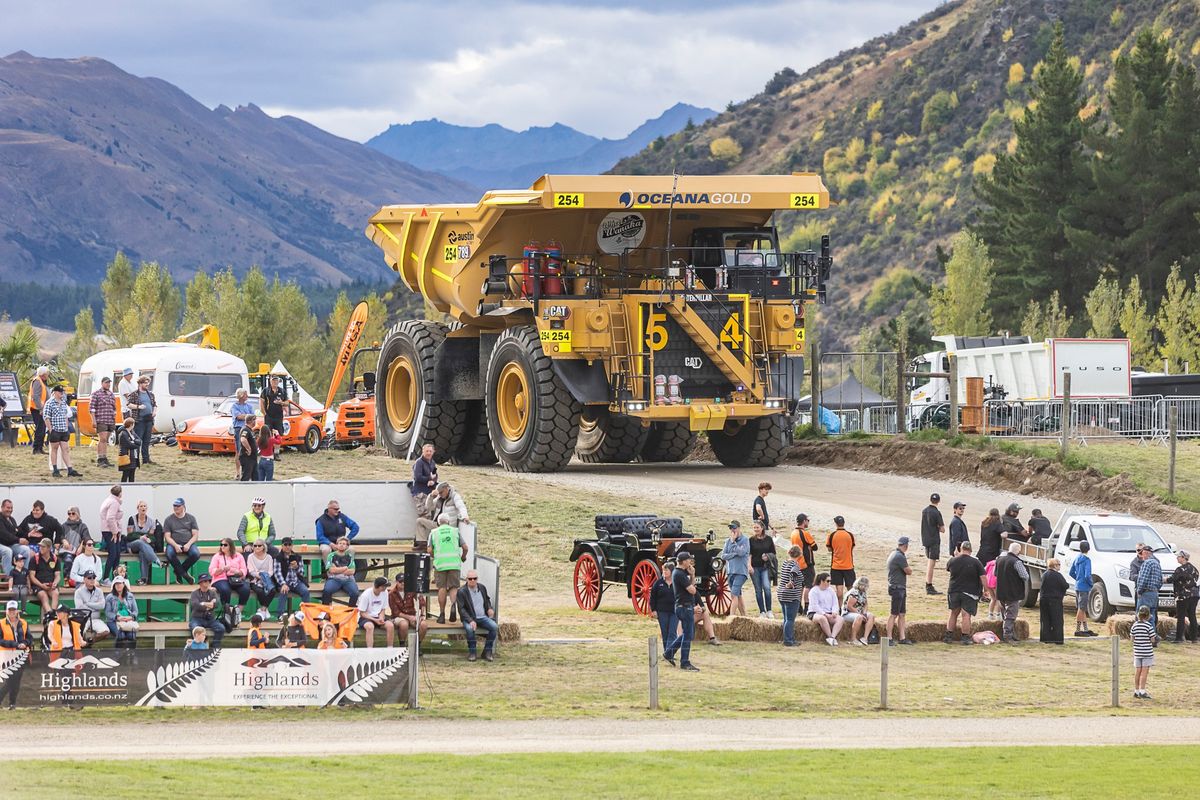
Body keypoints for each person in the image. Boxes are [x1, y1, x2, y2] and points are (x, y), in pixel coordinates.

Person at [661, 551, 699, 671]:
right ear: (683, 562)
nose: (690, 562)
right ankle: (685, 662)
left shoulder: (680, 573)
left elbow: (692, 587)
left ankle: (669, 653)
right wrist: (692, 580)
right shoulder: (679, 574)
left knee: (687, 634)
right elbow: (692, 590)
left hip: (683, 606)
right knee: (688, 635)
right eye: (688, 560)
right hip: (684, 606)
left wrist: (692, 575)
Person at [944, 541, 986, 645]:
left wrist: (955, 556)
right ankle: (965, 638)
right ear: (971, 550)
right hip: (970, 592)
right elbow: (983, 578)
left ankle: (948, 636)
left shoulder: (952, 561)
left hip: (954, 590)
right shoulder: (976, 562)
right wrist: (986, 590)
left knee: (953, 613)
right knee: (966, 615)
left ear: (960, 549)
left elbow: (948, 568)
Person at [430, 513, 468, 623]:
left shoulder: (434, 532)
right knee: (453, 587)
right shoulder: (455, 531)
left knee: (441, 588)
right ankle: (453, 605)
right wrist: (463, 557)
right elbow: (465, 547)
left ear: (438, 522)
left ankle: (441, 614)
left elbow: (429, 549)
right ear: (448, 522)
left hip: (440, 564)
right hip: (454, 564)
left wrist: (435, 555)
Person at [209, 538, 251, 627]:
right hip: (220, 578)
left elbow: (244, 570)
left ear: (230, 546)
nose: (222, 546)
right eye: (221, 545)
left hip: (235, 579)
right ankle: (227, 612)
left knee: (246, 589)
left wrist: (235, 571)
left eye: (225, 545)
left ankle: (238, 612)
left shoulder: (239, 556)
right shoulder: (217, 556)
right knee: (225, 589)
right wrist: (222, 569)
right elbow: (212, 571)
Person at [458, 569, 498, 661]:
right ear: (466, 579)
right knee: (469, 628)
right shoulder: (462, 591)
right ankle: (472, 652)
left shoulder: (482, 588)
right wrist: (470, 620)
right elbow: (462, 609)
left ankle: (487, 651)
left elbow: (487, 600)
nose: (472, 580)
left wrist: (489, 608)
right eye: (470, 579)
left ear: (477, 579)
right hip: (469, 618)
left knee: (494, 627)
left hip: (483, 617)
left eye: (474, 578)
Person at [0, 599, 33, 709]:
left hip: (21, 655)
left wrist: (24, 643)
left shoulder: (23, 623)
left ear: (17, 611)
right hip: (6, 655)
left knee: (17, 680)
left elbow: (29, 638)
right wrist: (15, 644)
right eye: (10, 610)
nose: (12, 612)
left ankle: (12, 703)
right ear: (6, 611)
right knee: (10, 681)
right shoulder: (1, 623)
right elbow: (0, 640)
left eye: (14, 610)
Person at [43, 385, 81, 478]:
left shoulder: (63, 402)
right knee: (54, 449)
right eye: (60, 392)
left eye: (62, 392)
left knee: (65, 449)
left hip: (63, 430)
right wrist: (51, 430)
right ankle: (55, 469)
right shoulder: (49, 403)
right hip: (55, 429)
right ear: (55, 392)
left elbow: (66, 415)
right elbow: (46, 417)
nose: (62, 394)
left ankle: (70, 469)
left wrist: (67, 427)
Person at [995, 542, 1029, 643]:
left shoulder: (999, 560)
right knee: (1011, 615)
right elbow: (1025, 576)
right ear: (1018, 551)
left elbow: (995, 574)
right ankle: (1008, 636)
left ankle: (1008, 634)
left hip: (1000, 591)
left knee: (1004, 613)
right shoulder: (1017, 562)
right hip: (1013, 592)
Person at [125, 500, 165, 585]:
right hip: (132, 545)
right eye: (141, 506)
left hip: (145, 547)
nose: (143, 508)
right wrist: (141, 536)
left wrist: (147, 538)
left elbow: (152, 537)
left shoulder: (152, 521)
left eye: (144, 506)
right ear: (137, 508)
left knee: (142, 552)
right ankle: (157, 561)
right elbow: (129, 536)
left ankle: (143, 579)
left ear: (147, 508)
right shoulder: (132, 519)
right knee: (140, 542)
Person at [163, 498, 201, 584]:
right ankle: (184, 574)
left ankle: (178, 571)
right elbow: (167, 537)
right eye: (174, 506)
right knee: (169, 554)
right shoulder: (168, 519)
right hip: (173, 543)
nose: (176, 507)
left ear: (183, 506)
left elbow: (195, 535)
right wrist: (175, 545)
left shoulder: (191, 518)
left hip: (188, 543)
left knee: (196, 554)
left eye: (178, 506)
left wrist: (188, 544)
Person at [886, 537, 914, 645]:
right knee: (894, 614)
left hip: (898, 587)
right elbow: (908, 571)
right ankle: (889, 638)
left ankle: (902, 637)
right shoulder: (899, 556)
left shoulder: (894, 554)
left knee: (901, 613)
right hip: (897, 587)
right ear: (906, 546)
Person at [1166, 550, 1198, 644]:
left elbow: (1172, 579)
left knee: (1181, 616)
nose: (1177, 558)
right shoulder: (1194, 569)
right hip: (1194, 595)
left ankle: (1179, 638)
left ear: (1183, 558)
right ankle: (1194, 638)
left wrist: (1163, 579)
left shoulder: (1180, 569)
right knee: (1192, 616)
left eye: (1179, 556)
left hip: (1183, 596)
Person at [719, 520, 750, 617]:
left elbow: (742, 553)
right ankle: (744, 615)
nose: (733, 530)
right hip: (730, 571)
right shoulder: (727, 541)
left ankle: (731, 617)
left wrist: (733, 543)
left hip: (741, 572)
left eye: (734, 528)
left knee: (733, 594)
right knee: (738, 595)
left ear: (739, 528)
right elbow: (723, 556)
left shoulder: (745, 540)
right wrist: (734, 554)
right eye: (731, 528)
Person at [978, 507, 1004, 618]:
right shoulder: (997, 523)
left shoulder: (984, 523)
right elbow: (1004, 534)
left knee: (981, 574)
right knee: (990, 574)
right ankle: (988, 594)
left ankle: (981, 593)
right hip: (992, 552)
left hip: (982, 550)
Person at [125, 374, 156, 465]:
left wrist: (154, 411)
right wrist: (139, 407)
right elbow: (128, 405)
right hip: (139, 420)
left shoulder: (150, 394)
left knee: (147, 441)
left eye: (148, 383)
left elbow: (154, 404)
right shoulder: (135, 394)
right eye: (145, 383)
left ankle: (146, 460)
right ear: (140, 383)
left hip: (149, 420)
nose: (147, 385)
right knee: (138, 441)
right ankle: (135, 459)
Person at [776, 546, 804, 646]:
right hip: (791, 595)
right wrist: (791, 582)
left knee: (786, 618)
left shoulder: (785, 562)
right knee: (790, 619)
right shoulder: (795, 564)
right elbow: (793, 572)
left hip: (781, 593)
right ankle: (788, 640)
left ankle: (787, 638)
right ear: (799, 555)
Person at [73, 570, 111, 645]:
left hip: (96, 619)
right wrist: (95, 606)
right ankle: (81, 648)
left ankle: (88, 643)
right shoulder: (78, 592)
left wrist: (88, 604)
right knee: (78, 633)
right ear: (84, 579)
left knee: (106, 632)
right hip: (83, 619)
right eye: (89, 578)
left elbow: (102, 606)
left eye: (93, 577)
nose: (92, 579)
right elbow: (80, 608)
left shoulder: (99, 591)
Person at [388, 574, 428, 644]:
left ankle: (418, 645)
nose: (403, 583)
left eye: (404, 581)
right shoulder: (391, 594)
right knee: (404, 624)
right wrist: (409, 617)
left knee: (423, 625)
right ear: (396, 582)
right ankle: (402, 645)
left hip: (412, 614)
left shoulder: (411, 589)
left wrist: (422, 615)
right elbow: (395, 612)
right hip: (399, 617)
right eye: (400, 581)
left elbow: (422, 602)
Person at [357, 576, 396, 648]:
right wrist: (375, 620)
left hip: (378, 616)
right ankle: (370, 650)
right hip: (366, 617)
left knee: (390, 625)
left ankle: (390, 648)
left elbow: (383, 608)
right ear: (378, 586)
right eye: (384, 586)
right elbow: (362, 613)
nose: (385, 588)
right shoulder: (366, 595)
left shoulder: (385, 592)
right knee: (370, 627)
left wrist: (381, 618)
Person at [748, 520, 776, 619]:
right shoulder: (751, 540)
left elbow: (773, 553)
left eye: (757, 527)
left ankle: (769, 610)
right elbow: (749, 554)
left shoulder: (768, 539)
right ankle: (762, 611)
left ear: (762, 528)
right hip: (754, 567)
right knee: (758, 590)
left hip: (765, 567)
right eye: (754, 528)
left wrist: (767, 556)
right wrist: (749, 565)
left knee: (767, 588)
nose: (755, 529)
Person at [1069, 540, 1097, 637]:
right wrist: (1091, 583)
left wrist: (1077, 578)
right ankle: (1077, 629)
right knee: (1081, 608)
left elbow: (1071, 572)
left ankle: (1085, 629)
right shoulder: (1087, 560)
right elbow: (1087, 575)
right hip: (1084, 587)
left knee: (1082, 607)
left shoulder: (1077, 558)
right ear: (1088, 549)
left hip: (1077, 585)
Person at [825, 516, 857, 603]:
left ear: (836, 524)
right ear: (844, 523)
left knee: (839, 591)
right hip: (848, 566)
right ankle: (852, 606)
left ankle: (839, 608)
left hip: (836, 566)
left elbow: (829, 549)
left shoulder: (832, 535)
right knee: (851, 589)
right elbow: (852, 547)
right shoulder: (850, 535)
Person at [188, 573, 225, 647]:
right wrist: (208, 605)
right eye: (205, 581)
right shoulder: (194, 593)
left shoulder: (212, 592)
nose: (207, 582)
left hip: (210, 618)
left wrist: (203, 604)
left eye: (208, 581)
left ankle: (215, 645)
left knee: (221, 628)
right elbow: (195, 605)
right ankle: (197, 645)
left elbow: (217, 604)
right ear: (200, 583)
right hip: (197, 618)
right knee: (194, 628)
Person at [321, 536, 360, 605]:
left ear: (347, 546)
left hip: (348, 579)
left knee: (355, 593)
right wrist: (345, 568)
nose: (341, 545)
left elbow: (352, 571)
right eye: (340, 543)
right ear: (336, 545)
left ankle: (350, 611)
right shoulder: (331, 555)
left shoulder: (349, 556)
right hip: (334, 579)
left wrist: (337, 569)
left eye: (344, 544)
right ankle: (326, 612)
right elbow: (331, 570)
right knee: (327, 591)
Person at [790, 514, 818, 610]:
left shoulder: (793, 532)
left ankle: (798, 607)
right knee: (808, 585)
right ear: (804, 521)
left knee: (800, 586)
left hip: (797, 563)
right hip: (806, 563)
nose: (808, 522)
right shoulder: (805, 533)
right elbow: (815, 547)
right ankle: (807, 606)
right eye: (808, 520)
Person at [1038, 558, 1069, 645]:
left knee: (1045, 619)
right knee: (1057, 620)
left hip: (1044, 599)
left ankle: (1046, 638)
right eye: (1059, 564)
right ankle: (1058, 639)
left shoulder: (1044, 574)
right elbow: (1065, 585)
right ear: (1054, 565)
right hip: (1054, 600)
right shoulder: (1058, 575)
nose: (1060, 566)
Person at [808, 572, 844, 645]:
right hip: (815, 613)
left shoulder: (831, 590)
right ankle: (829, 636)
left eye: (830, 581)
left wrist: (834, 612)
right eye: (828, 581)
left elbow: (835, 603)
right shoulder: (814, 591)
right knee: (822, 618)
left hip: (829, 612)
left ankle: (832, 638)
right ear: (821, 581)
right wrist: (824, 614)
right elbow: (815, 606)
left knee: (840, 619)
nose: (829, 583)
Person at [246, 538, 281, 612]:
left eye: (259, 546)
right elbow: (251, 570)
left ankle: (263, 609)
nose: (257, 547)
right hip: (255, 580)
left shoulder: (269, 557)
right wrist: (259, 576)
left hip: (267, 579)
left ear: (263, 547)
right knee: (259, 591)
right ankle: (265, 609)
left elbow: (271, 571)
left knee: (273, 590)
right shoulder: (250, 557)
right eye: (255, 546)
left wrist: (265, 577)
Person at [275, 551, 312, 621]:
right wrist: (283, 584)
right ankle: (280, 616)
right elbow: (277, 573)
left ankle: (304, 615)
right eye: (285, 545)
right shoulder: (278, 557)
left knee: (305, 592)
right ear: (282, 546)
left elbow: (302, 573)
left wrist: (296, 567)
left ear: (292, 545)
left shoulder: (298, 557)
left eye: (289, 544)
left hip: (296, 582)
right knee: (283, 591)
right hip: (284, 582)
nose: (287, 546)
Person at [90, 375, 118, 467]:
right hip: (101, 419)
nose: (108, 384)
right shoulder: (96, 394)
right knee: (102, 439)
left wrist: (114, 417)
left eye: (109, 382)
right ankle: (100, 459)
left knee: (106, 440)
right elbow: (92, 408)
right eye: (106, 382)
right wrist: (94, 420)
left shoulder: (111, 394)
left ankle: (105, 458)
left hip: (110, 420)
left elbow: (114, 408)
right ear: (102, 383)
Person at [1134, 545, 1163, 630]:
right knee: (1151, 617)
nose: (1141, 556)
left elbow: (1143, 578)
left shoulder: (1147, 563)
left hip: (1146, 593)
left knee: (1141, 615)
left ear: (1146, 553)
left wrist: (1139, 591)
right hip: (1154, 593)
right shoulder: (1157, 563)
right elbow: (1160, 580)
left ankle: (1141, 635)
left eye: (1142, 554)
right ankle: (1152, 637)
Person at [921, 493, 945, 595]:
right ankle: (929, 585)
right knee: (931, 564)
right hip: (934, 539)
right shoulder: (936, 513)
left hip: (925, 539)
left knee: (930, 562)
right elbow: (942, 529)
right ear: (938, 501)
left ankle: (928, 583)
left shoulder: (925, 511)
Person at [99, 485, 124, 583]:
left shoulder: (109, 500)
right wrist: (115, 532)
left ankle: (115, 577)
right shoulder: (114, 502)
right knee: (113, 554)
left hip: (110, 530)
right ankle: (105, 578)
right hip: (110, 531)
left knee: (117, 554)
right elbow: (110, 518)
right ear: (120, 493)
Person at [0, 498, 31, 576]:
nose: (10, 510)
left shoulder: (12, 519)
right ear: (2, 507)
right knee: (7, 551)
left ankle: (23, 576)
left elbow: (16, 532)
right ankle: (10, 577)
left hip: (10, 544)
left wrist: (28, 534)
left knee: (26, 550)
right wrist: (18, 540)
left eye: (11, 508)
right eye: (8, 507)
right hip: (1, 544)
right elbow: (3, 534)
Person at [105, 576, 138, 648]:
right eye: (116, 584)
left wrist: (131, 617)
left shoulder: (130, 596)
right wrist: (117, 618)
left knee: (131, 635)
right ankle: (117, 655)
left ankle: (131, 654)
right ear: (114, 586)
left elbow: (135, 611)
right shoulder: (109, 597)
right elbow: (107, 613)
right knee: (121, 635)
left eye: (120, 583)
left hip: (128, 620)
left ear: (123, 584)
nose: (118, 585)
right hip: (114, 621)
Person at [1131, 605, 1156, 699]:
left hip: (1137, 652)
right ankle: (1142, 691)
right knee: (1144, 672)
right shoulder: (1149, 626)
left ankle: (1136, 691)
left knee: (1137, 671)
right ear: (1148, 616)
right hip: (1147, 652)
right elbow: (1153, 639)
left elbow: (1132, 638)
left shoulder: (1135, 625)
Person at [842, 575, 875, 646]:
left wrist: (865, 613)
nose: (864, 587)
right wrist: (860, 614)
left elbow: (866, 604)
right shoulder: (854, 592)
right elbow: (849, 606)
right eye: (863, 585)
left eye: (866, 585)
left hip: (859, 612)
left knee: (871, 616)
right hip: (848, 613)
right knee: (859, 617)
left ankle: (865, 638)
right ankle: (853, 639)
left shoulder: (863, 592)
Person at [650, 563, 676, 650]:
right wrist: (653, 610)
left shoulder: (677, 583)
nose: (664, 572)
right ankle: (667, 651)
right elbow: (653, 597)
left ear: (672, 571)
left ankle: (669, 653)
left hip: (674, 611)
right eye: (663, 570)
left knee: (672, 632)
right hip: (662, 612)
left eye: (666, 570)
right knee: (665, 632)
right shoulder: (658, 583)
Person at [30, 539, 60, 613]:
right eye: (40, 546)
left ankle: (52, 615)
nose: (40, 548)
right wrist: (41, 585)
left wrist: (55, 583)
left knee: (56, 593)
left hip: (50, 584)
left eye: (43, 547)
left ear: (49, 548)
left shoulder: (55, 559)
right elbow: (32, 577)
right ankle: (50, 615)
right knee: (43, 596)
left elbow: (57, 575)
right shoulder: (34, 558)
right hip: (38, 585)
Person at [28, 364, 49, 455]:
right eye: (47, 373)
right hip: (37, 409)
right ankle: (36, 449)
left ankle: (39, 448)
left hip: (40, 408)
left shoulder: (40, 381)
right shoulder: (37, 381)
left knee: (42, 428)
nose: (48, 375)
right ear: (43, 374)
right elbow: (35, 396)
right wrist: (41, 408)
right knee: (40, 428)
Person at [260, 375, 287, 446]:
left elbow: (287, 403)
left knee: (278, 434)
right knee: (268, 433)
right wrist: (264, 414)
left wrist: (281, 402)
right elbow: (261, 402)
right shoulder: (265, 390)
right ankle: (269, 450)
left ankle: (276, 452)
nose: (275, 382)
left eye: (276, 380)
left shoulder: (282, 391)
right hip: (269, 415)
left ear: (278, 381)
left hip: (278, 416)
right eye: (273, 380)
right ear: (270, 381)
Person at [237, 412, 260, 482]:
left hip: (252, 458)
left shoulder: (250, 430)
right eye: (254, 420)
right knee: (246, 476)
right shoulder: (245, 429)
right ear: (250, 421)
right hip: (247, 457)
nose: (255, 421)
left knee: (256, 477)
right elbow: (243, 439)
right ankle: (243, 490)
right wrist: (249, 449)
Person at [116, 417, 140, 482]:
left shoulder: (132, 432)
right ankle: (123, 488)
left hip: (134, 457)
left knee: (132, 475)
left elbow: (139, 441)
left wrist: (134, 442)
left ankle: (131, 489)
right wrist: (136, 444)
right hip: (127, 456)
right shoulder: (123, 433)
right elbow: (128, 445)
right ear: (131, 425)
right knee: (125, 474)